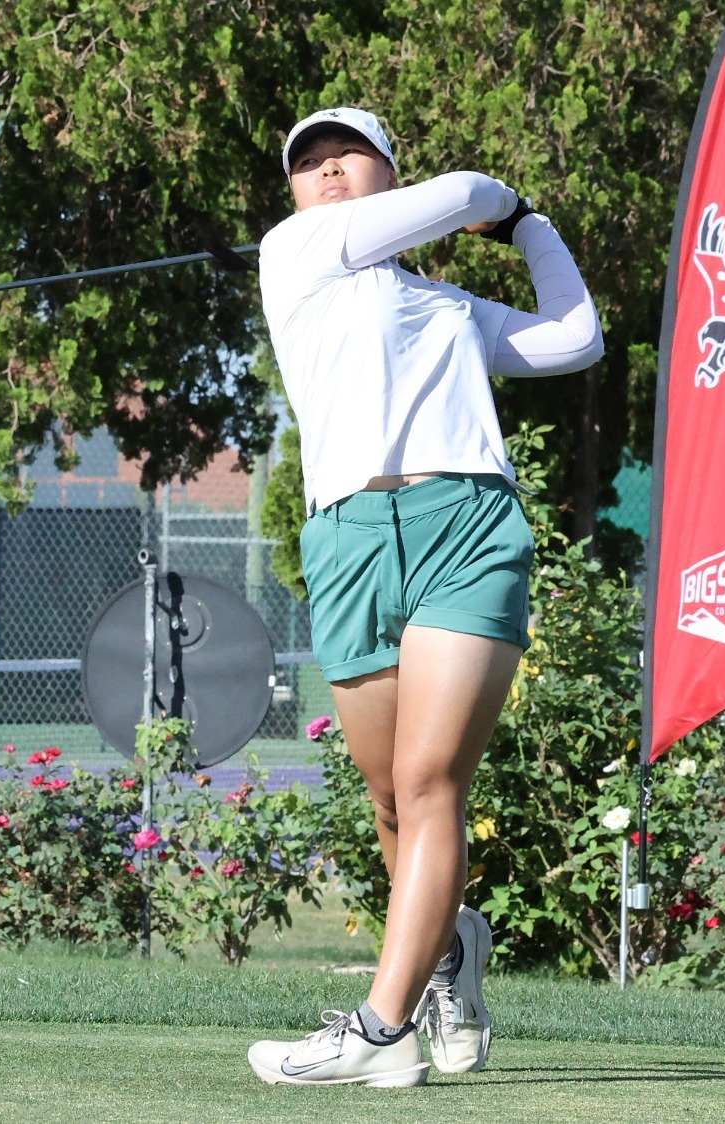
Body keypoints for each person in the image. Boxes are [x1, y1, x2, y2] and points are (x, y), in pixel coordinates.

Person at [246, 107, 603, 1088]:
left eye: (347, 155)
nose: (326, 171)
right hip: (348, 536)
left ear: (386, 173)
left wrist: (525, 226)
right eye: (308, 163)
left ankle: (380, 1028)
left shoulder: (449, 308)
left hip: (465, 526)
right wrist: (496, 202)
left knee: (429, 778)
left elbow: (574, 337)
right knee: (388, 797)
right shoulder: (292, 252)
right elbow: (461, 195)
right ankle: (449, 953)